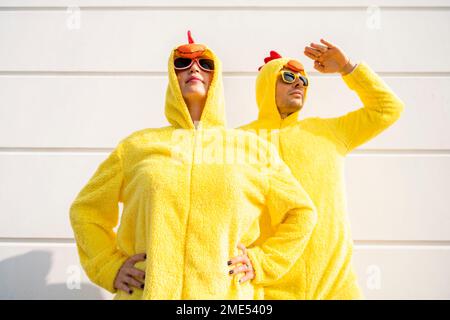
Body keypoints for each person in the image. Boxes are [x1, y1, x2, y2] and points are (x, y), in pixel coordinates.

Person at [69, 32, 317, 300]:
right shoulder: (137, 146)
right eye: (182, 63)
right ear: (172, 78)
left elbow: (301, 212)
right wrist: (109, 265)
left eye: (205, 63)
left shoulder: (252, 149)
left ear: (216, 77)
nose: (194, 68)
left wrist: (263, 262)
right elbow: (86, 211)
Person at [239, 39, 404, 299]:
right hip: (266, 288)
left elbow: (388, 109)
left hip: (336, 287)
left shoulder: (329, 132)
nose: (298, 84)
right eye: (288, 76)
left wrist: (347, 68)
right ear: (266, 83)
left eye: (304, 81)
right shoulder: (238, 140)